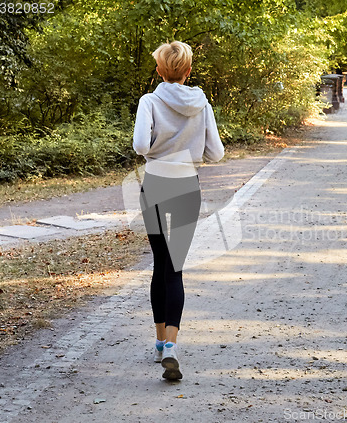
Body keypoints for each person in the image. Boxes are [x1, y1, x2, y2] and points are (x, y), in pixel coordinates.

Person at [133, 41, 224, 380]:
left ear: (160, 70)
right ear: (188, 71)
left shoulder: (150, 101)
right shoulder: (203, 104)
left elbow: (141, 145)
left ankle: (158, 344)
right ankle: (171, 345)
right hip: (187, 186)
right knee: (176, 268)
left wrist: (158, 150)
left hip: (155, 183)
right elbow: (216, 153)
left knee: (160, 264)